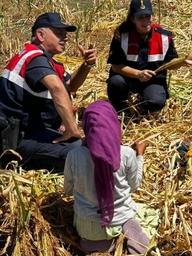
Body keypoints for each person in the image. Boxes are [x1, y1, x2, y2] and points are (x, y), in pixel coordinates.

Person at [0, 12, 97, 171]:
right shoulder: (35, 58)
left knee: (89, 147)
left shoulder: (45, 61)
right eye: (59, 33)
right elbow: (57, 88)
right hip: (15, 143)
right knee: (82, 155)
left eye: (65, 34)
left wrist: (87, 65)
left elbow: (70, 87)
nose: (65, 38)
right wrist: (72, 128)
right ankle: (25, 165)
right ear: (40, 35)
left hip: (32, 133)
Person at [64, 101, 156, 255]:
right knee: (151, 213)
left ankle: (97, 243)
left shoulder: (74, 156)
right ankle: (127, 231)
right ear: (114, 124)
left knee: (89, 236)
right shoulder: (126, 153)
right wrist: (140, 156)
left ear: (86, 126)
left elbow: (68, 190)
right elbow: (134, 186)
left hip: (86, 225)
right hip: (121, 216)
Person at [106, 0, 192, 116]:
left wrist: (183, 61)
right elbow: (116, 66)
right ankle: (122, 111)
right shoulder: (122, 36)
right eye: (140, 18)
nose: (145, 21)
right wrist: (138, 74)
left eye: (148, 16)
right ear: (132, 19)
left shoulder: (164, 37)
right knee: (116, 82)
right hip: (127, 78)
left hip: (152, 81)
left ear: (153, 16)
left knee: (156, 101)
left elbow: (170, 62)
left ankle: (141, 107)